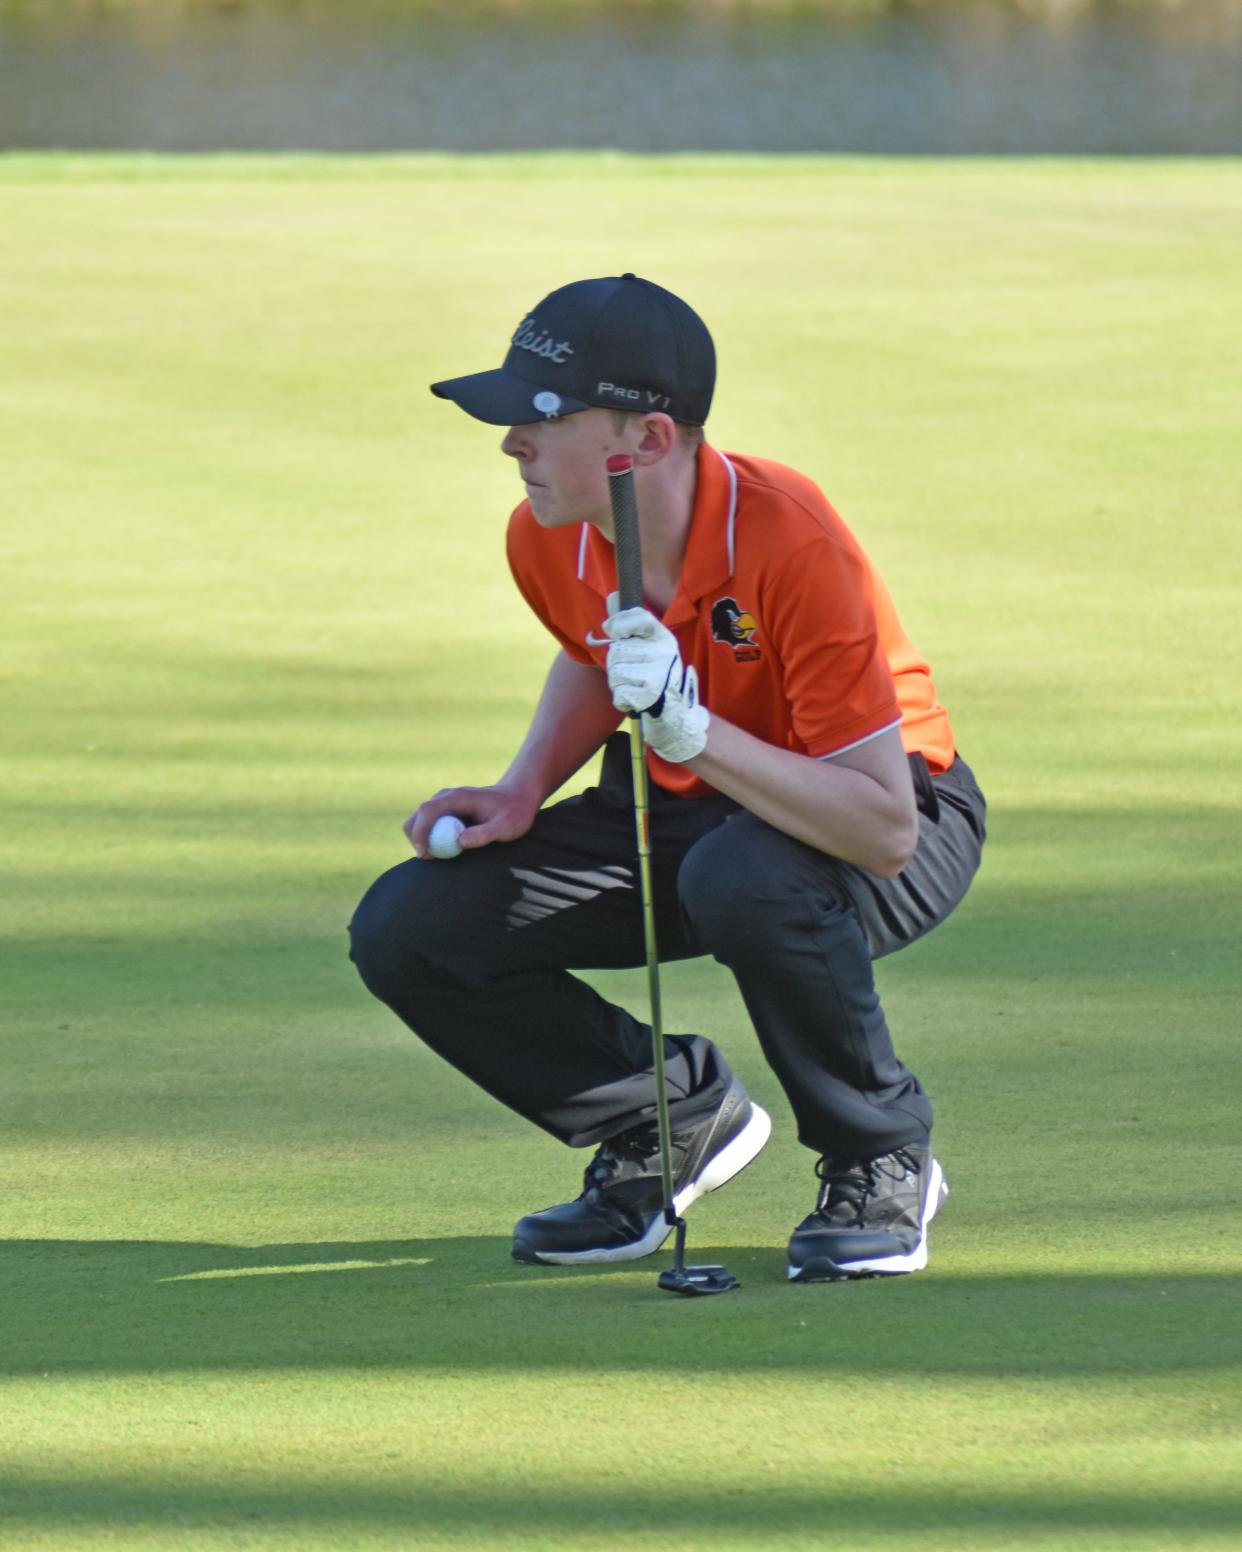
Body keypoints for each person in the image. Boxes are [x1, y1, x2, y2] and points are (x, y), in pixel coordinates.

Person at [349, 273, 986, 1282]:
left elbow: (882, 828)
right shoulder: (550, 533)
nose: (512, 442)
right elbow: (597, 654)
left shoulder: (793, 538)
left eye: (541, 416)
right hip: (692, 811)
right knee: (410, 925)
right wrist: (523, 789)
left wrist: (692, 732)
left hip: (881, 803)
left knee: (744, 875)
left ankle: (880, 1155)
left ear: (645, 440)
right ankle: (668, 1120)